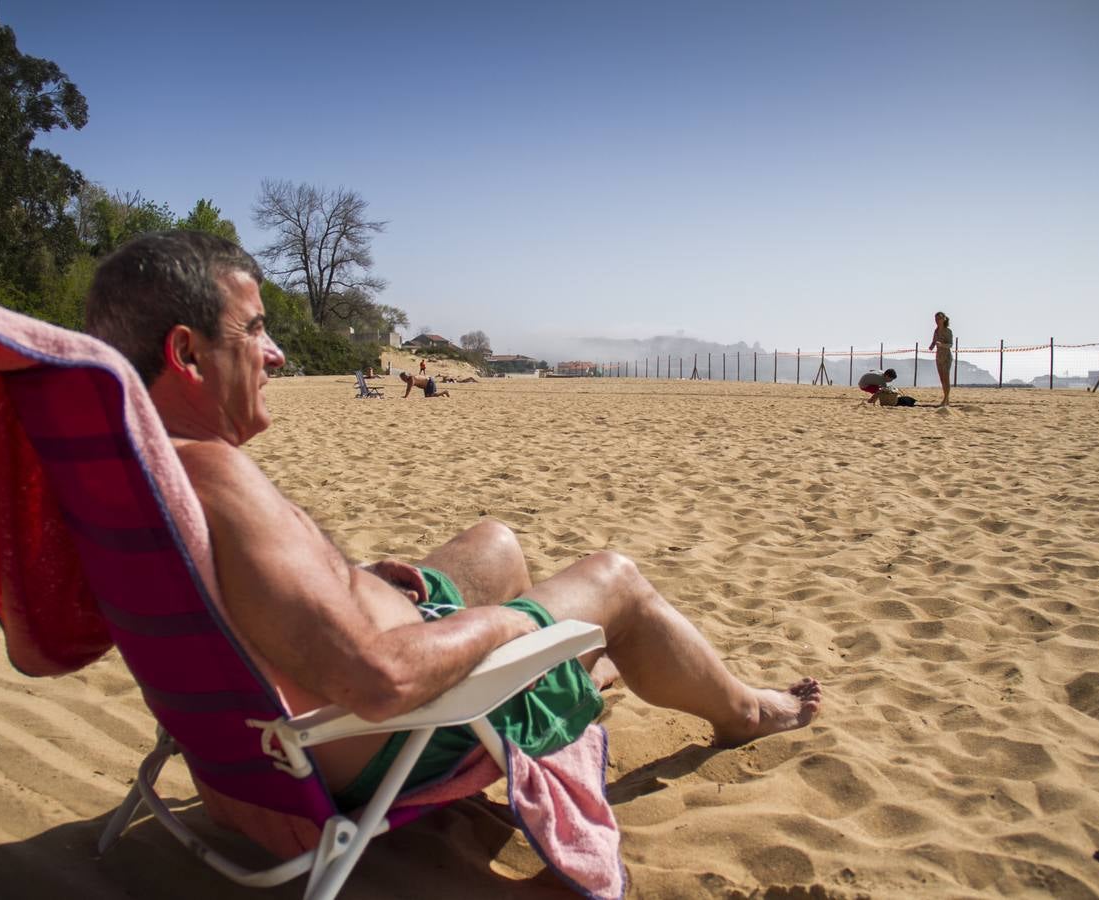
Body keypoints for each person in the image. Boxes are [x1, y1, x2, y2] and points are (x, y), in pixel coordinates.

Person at [83, 231, 821, 809]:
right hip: (380, 739)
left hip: (295, 715)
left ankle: (541, 692)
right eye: (255, 331)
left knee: (494, 544)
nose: (275, 355)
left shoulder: (141, 467)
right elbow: (377, 680)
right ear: (186, 352)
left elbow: (245, 605)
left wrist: (353, 579)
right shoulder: (213, 476)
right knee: (615, 581)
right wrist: (514, 626)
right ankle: (745, 712)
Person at [929, 312, 953, 407]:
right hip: (938, 356)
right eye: (936, 319)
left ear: (944, 319)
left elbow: (950, 344)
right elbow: (934, 341)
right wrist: (932, 346)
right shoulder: (936, 331)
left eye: (939, 318)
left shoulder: (948, 331)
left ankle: (945, 399)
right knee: (942, 379)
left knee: (946, 378)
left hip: (946, 356)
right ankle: (946, 400)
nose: (937, 321)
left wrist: (942, 345)